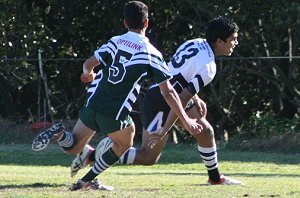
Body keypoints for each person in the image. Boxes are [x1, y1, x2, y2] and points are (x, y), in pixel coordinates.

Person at [31, 1, 202, 190]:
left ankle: (60, 134)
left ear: (125, 23)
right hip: (114, 110)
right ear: (147, 23)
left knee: (74, 147)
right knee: (126, 141)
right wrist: (185, 119)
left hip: (94, 103)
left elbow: (89, 63)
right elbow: (169, 91)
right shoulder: (151, 53)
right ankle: (87, 181)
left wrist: (88, 73)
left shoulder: (116, 41)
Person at [70, 16, 243, 185]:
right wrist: (165, 129)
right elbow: (180, 99)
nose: (235, 43)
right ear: (219, 41)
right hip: (162, 100)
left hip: (165, 95)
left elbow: (177, 72)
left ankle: (215, 178)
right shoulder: (209, 68)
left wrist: (195, 97)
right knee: (148, 157)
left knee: (206, 132)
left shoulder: (195, 43)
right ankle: (91, 155)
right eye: (233, 39)